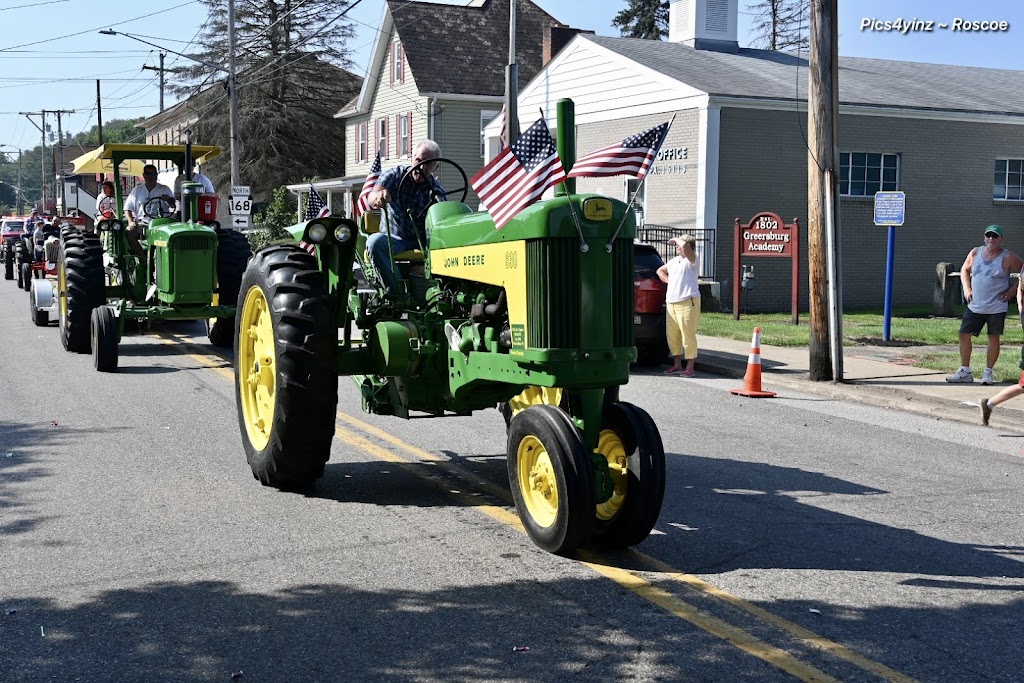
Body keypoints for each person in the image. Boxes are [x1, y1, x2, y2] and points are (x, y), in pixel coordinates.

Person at [364, 140, 446, 294]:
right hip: (395, 237)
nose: (421, 168)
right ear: (412, 158)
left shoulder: (437, 190)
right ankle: (398, 293)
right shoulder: (394, 176)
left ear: (436, 166)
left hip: (423, 241)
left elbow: (443, 219)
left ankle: (439, 295)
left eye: (428, 164)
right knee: (375, 242)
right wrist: (379, 197)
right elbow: (372, 196)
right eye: (419, 161)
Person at [946, 224, 1023, 385]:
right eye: (988, 236)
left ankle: (988, 372)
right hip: (975, 305)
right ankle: (965, 371)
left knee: (993, 337)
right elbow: (965, 270)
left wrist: (1011, 291)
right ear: (984, 238)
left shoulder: (1008, 257)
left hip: (997, 306)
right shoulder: (975, 253)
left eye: (995, 236)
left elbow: (1023, 272)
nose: (991, 239)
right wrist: (967, 289)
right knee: (963, 334)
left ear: (1001, 239)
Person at [657, 234, 701, 376]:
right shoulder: (675, 261)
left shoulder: (692, 260)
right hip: (672, 302)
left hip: (688, 301)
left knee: (688, 335)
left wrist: (677, 239)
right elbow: (660, 270)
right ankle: (677, 364)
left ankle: (690, 367)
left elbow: (685, 247)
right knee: (673, 335)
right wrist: (670, 281)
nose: (677, 246)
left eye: (679, 244)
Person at [124, 164, 176, 257]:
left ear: (157, 175)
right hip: (142, 224)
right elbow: (128, 208)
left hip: (160, 224)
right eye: (148, 174)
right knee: (129, 232)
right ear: (144, 175)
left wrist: (168, 199)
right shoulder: (137, 190)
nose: (151, 176)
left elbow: (173, 205)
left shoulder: (164, 189)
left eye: (153, 174)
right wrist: (130, 221)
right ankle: (142, 259)